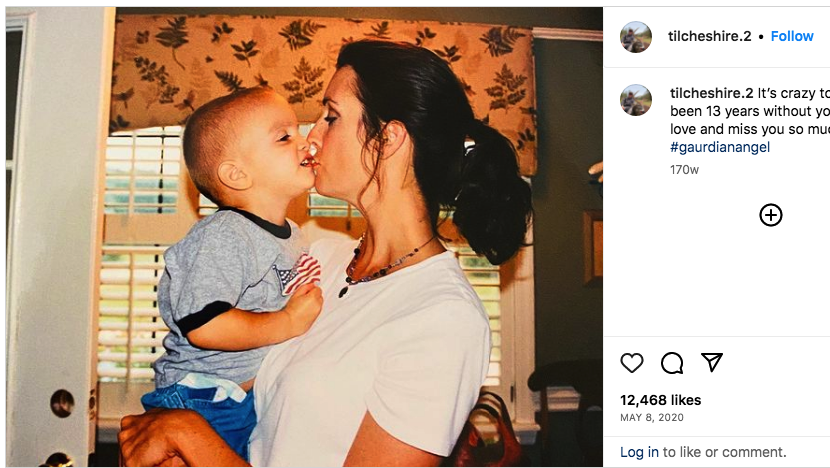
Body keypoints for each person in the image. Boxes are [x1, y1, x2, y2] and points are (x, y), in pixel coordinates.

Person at [119, 39, 533, 467]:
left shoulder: (443, 317)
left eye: (331, 117)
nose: (311, 137)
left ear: (388, 138)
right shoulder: (317, 258)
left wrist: (186, 433)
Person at [141, 87, 325, 461]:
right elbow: (204, 325)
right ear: (237, 174)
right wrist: (288, 322)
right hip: (202, 398)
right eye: (284, 137)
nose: (305, 142)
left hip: (237, 396)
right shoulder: (224, 235)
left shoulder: (289, 233)